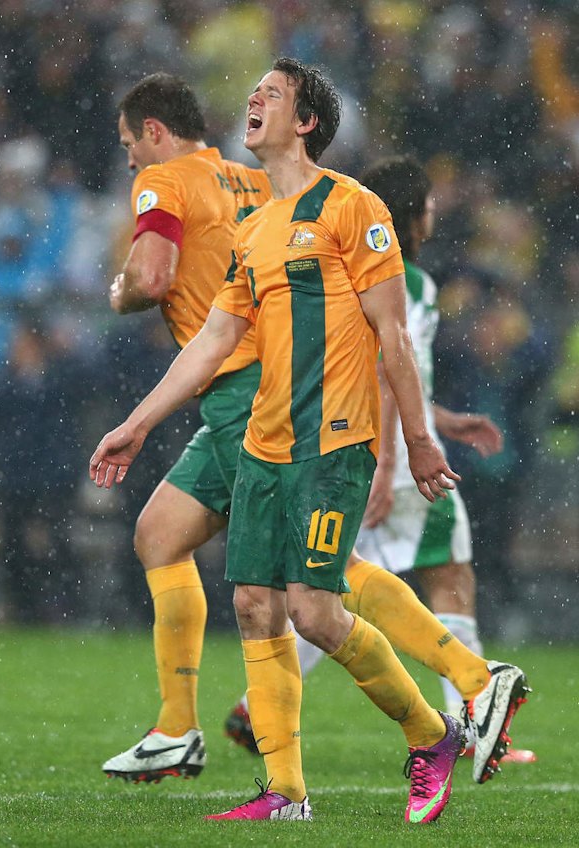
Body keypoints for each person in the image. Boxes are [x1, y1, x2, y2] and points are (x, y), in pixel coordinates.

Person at [101, 71, 529, 799]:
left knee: (311, 597)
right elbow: (213, 334)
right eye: (254, 92)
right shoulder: (255, 217)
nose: (254, 101)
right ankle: (276, 787)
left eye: (272, 93)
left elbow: (389, 330)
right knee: (224, 578)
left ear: (306, 122)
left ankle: (470, 683)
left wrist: (419, 438)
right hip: (255, 420)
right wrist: (137, 424)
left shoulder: (348, 203)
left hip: (317, 425)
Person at [225, 155, 535, 779]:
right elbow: (387, 367)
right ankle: (476, 717)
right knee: (442, 577)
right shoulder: (409, 282)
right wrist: (399, 455)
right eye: (426, 206)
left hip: (350, 441)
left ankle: (250, 711)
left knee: (323, 587)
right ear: (414, 216)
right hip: (381, 451)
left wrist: (443, 421)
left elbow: (396, 371)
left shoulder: (337, 266)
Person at [100, 72, 272, 783]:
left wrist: (116, 293)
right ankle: (177, 729)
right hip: (267, 382)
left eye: (130, 144)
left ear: (156, 132)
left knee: (316, 585)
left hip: (243, 393)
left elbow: (150, 278)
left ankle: (469, 685)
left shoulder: (165, 178)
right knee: (160, 534)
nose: (131, 161)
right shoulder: (255, 183)